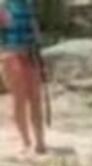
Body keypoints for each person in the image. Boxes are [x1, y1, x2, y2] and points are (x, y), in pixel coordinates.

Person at [0, 0, 45, 156]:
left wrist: (38, 49)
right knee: (19, 99)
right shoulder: (3, 4)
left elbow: (35, 28)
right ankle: (25, 141)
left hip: (30, 54)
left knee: (35, 98)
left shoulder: (28, 3)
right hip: (10, 54)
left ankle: (40, 141)